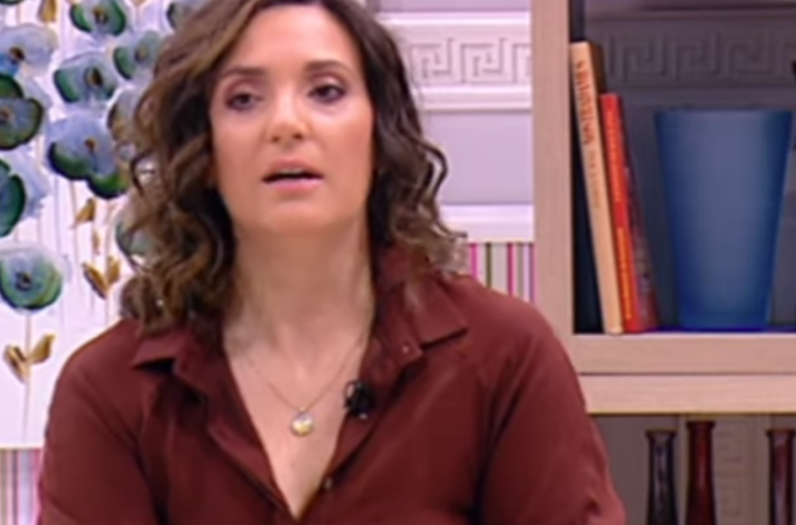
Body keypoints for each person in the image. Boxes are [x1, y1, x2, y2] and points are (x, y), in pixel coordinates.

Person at [36, 0, 627, 523]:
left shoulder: (504, 357)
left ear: (380, 136)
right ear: (206, 151)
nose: (286, 124)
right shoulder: (111, 391)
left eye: (326, 91)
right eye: (244, 99)